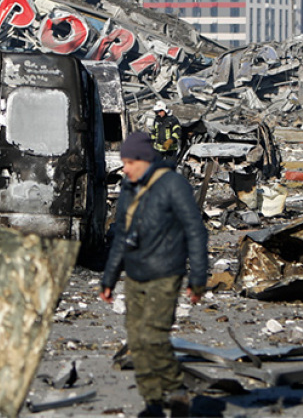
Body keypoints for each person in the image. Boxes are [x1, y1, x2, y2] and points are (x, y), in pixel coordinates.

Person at [100, 131, 208, 417]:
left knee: (155, 338)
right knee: (136, 341)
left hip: (165, 274)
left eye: (129, 162)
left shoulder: (173, 185)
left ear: (145, 160)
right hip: (135, 274)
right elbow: (122, 234)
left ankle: (176, 392)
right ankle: (153, 403)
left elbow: (195, 232)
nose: (124, 168)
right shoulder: (128, 187)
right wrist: (109, 279)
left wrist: (198, 278)